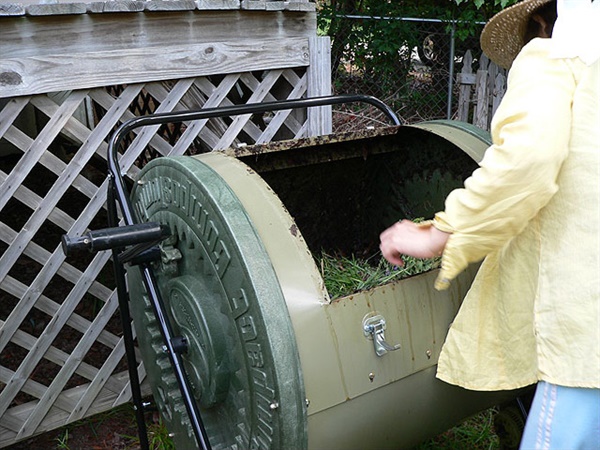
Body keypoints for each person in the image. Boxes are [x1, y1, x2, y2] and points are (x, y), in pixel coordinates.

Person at [379, 0, 600, 448]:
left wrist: (440, 232)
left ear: (541, 23)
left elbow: (528, 158)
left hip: (588, 319)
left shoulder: (555, 52)